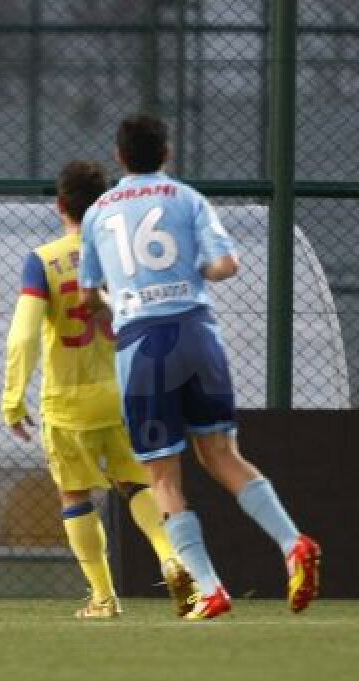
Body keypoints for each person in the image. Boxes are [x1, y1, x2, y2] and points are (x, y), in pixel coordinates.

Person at [78, 113, 321, 619]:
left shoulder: (99, 212)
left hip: (143, 345)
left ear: (119, 156)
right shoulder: (188, 199)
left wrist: (117, 300)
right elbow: (226, 265)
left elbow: (88, 295)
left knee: (164, 477)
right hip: (196, 332)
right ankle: (292, 542)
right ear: (167, 152)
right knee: (222, 454)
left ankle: (210, 589)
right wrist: (191, 272)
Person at [2, 160, 196, 619]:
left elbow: (24, 335)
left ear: (60, 205)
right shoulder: (125, 258)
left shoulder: (43, 261)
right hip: (126, 393)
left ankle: (103, 598)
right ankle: (172, 559)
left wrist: (13, 397)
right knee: (137, 483)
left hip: (69, 402)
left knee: (74, 495)